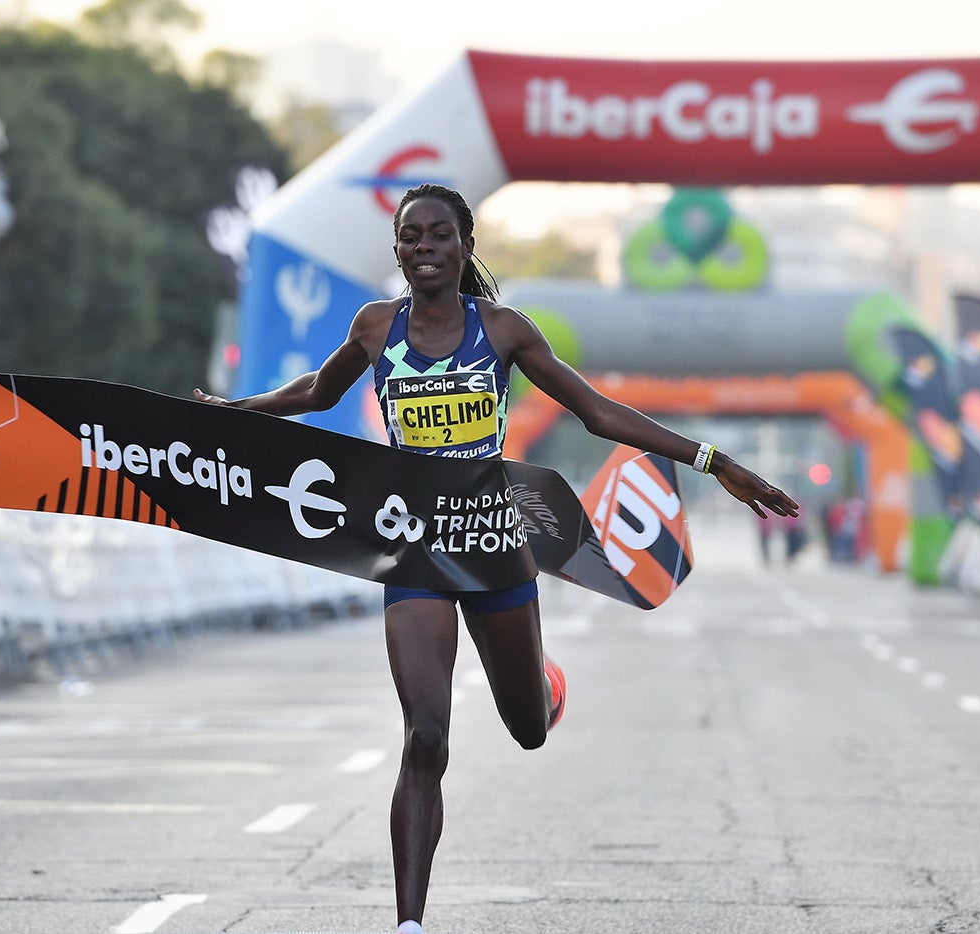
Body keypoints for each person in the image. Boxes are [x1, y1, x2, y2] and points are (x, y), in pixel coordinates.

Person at [195, 184, 798, 934]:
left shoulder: (505, 331)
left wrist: (714, 459)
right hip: (412, 546)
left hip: (492, 543)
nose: (423, 247)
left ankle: (543, 685)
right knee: (425, 736)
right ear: (397, 250)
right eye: (410, 236)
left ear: (465, 247)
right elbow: (319, 394)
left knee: (528, 729)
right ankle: (409, 924)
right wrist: (234, 413)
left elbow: (598, 412)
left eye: (438, 234)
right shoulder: (376, 326)